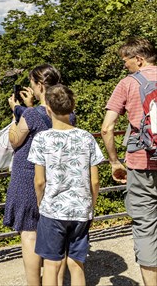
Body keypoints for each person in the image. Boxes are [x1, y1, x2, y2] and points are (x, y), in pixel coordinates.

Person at [4, 64, 74, 286]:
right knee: (57, 232)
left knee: (30, 232)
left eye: (33, 84)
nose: (32, 88)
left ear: (41, 85)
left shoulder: (32, 115)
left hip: (27, 176)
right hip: (59, 176)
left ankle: (35, 283)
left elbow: (15, 140)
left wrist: (17, 112)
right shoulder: (68, 114)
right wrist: (27, 107)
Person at [29, 84, 104, 286]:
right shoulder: (87, 137)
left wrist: (40, 203)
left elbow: (39, 181)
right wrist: (91, 204)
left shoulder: (42, 139)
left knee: (52, 264)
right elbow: (95, 180)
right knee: (77, 263)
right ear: (73, 107)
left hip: (52, 210)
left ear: (48, 109)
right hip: (81, 209)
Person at [101, 37, 157, 286]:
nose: (125, 67)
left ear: (139, 59)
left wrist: (114, 161)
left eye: (126, 62)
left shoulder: (128, 84)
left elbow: (106, 128)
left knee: (145, 224)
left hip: (141, 163)